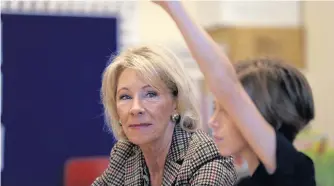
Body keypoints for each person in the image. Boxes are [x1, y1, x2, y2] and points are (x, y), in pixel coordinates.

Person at [153, 1, 316, 186]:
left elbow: (226, 84)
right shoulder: (244, 182)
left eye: (227, 111)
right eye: (215, 109)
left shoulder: (295, 170)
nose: (212, 121)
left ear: (258, 118)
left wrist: (172, 6)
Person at [92, 45, 237, 186]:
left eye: (151, 94)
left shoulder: (205, 157)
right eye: (125, 97)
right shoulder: (126, 153)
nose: (135, 109)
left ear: (176, 103)